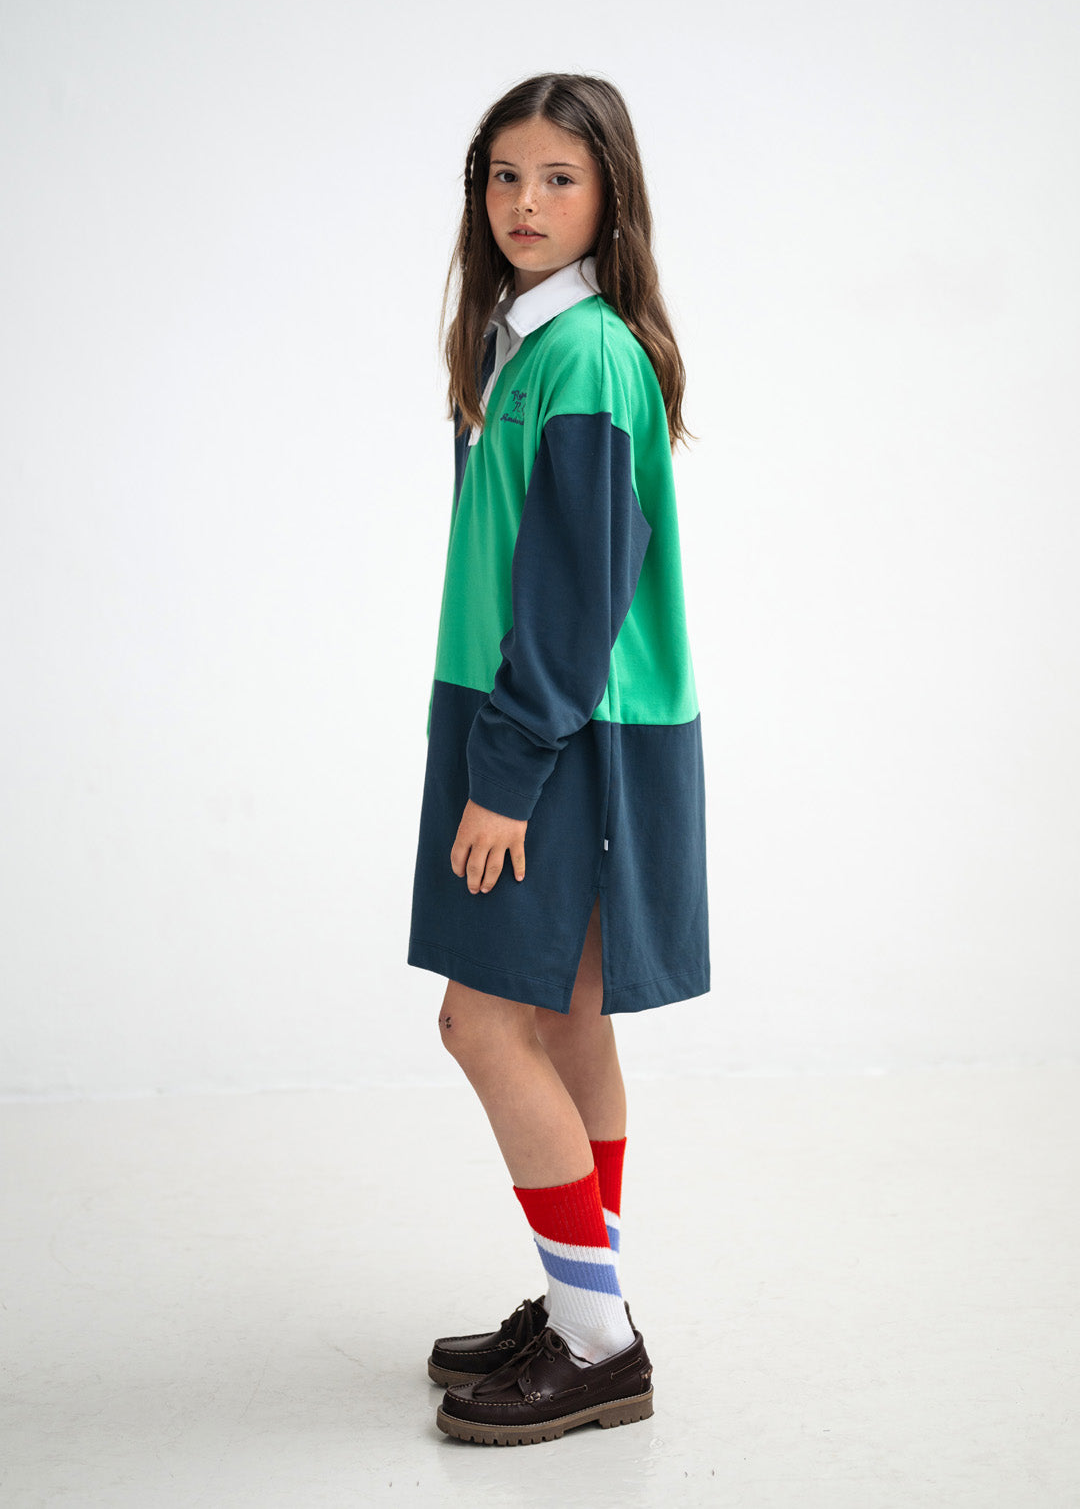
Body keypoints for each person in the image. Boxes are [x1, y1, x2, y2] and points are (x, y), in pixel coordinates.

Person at [407, 72, 710, 1445]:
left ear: (610, 197)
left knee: (482, 1023)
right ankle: (585, 1296)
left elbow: (578, 597)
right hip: (554, 723)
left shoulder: (582, 354)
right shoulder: (523, 344)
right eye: (504, 176)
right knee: (567, 1017)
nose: (525, 203)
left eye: (559, 178)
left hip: (561, 737)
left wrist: (506, 771)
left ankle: (597, 1343)